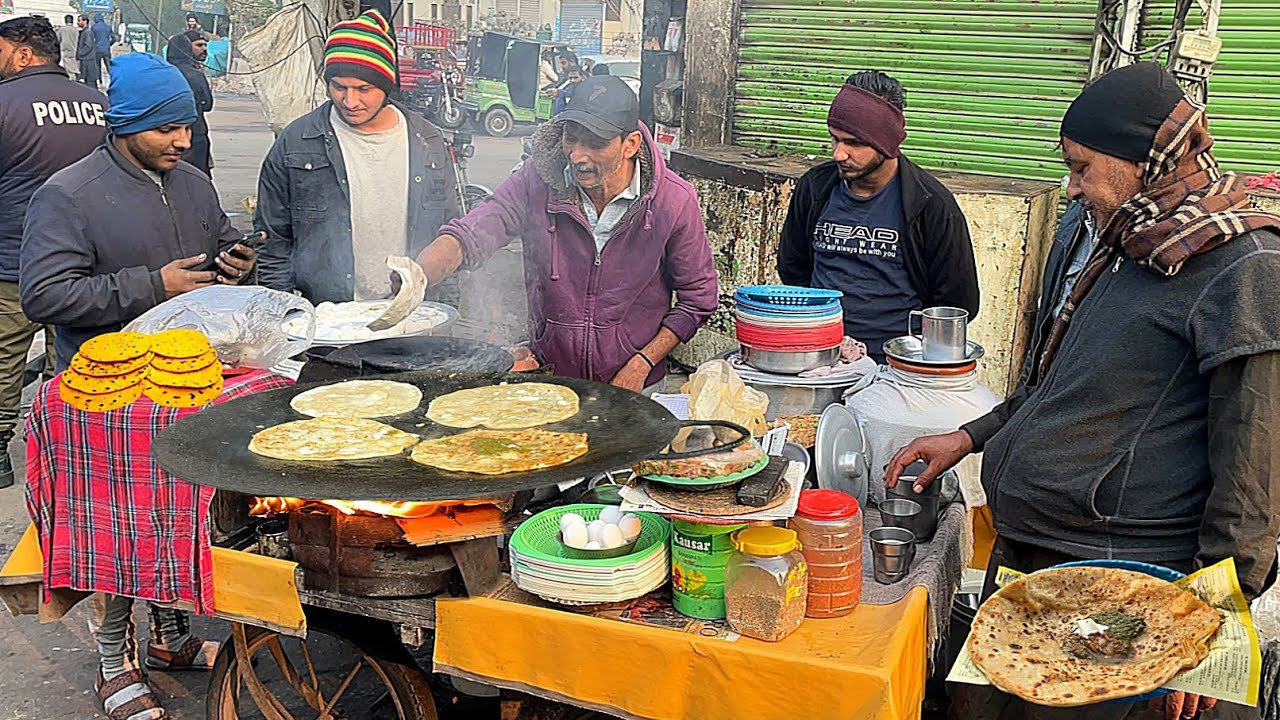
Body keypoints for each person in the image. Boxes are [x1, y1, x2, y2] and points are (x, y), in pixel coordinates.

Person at [885, 62, 1280, 720]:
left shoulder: (1245, 269)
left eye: (1081, 168)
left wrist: (1198, 629)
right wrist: (968, 437)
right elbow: (1058, 385)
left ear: (1142, 162)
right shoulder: (1135, 244)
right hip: (1038, 561)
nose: (1070, 190)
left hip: (1122, 593)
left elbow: (1256, 484)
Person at [19, 51, 256, 720]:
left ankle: (172, 636)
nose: (183, 141)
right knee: (118, 535)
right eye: (165, 130)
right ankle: (111, 660)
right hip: (106, 405)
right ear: (125, 126)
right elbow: (44, 293)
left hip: (183, 390)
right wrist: (154, 286)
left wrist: (237, 258)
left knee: (179, 522)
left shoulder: (192, 183)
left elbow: (218, 241)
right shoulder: (68, 195)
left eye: (186, 126)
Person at [413, 75, 718, 391]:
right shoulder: (536, 182)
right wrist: (418, 276)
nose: (577, 156)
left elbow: (699, 299)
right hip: (551, 377)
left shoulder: (673, 201)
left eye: (595, 143)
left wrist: (642, 363)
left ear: (630, 145)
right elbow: (475, 231)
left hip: (636, 384)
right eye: (571, 138)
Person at [256, 11, 461, 304]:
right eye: (338, 87)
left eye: (364, 89)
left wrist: (446, 310)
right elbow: (273, 243)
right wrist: (285, 314)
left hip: (411, 317)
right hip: (327, 320)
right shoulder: (296, 142)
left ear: (386, 85)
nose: (350, 101)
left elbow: (449, 232)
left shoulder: (427, 141)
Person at [777, 70, 980, 360]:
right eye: (835, 139)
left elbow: (958, 302)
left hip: (895, 365)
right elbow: (793, 267)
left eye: (854, 143)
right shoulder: (815, 188)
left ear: (887, 144)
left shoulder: (931, 205)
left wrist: (910, 352)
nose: (838, 154)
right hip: (820, 354)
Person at [0, 16, 107, 487]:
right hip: (88, 259)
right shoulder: (101, 105)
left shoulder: (3, 104)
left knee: (5, 355)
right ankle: (66, 442)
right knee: (73, 354)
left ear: (23, 53)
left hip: (14, 260)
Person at [166, 30, 212, 175]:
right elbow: (208, 105)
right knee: (198, 178)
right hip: (196, 134)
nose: (204, 49)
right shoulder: (196, 75)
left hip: (167, 134)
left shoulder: (161, 73)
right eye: (200, 45)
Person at [75, 14, 98, 88]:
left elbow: (88, 46)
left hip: (88, 60)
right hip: (86, 59)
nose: (78, 23)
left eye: (79, 20)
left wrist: (80, 53)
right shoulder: (84, 32)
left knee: (90, 81)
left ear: (85, 21)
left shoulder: (87, 32)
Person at [90, 13, 115, 79]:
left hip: (97, 49)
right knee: (109, 66)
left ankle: (99, 80)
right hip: (106, 49)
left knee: (98, 66)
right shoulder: (108, 27)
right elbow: (114, 38)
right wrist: (109, 44)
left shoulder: (94, 27)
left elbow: (91, 38)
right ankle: (112, 78)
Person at [55, 14, 78, 79]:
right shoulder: (76, 29)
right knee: (73, 66)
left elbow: (57, 39)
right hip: (75, 50)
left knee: (68, 68)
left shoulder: (62, 29)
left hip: (66, 50)